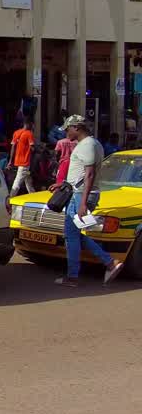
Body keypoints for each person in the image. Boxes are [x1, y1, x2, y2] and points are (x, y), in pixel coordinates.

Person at [55, 115, 125, 287]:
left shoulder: (88, 145)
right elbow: (81, 174)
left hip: (81, 195)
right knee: (74, 234)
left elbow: (90, 174)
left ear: (77, 127)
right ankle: (107, 263)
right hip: (78, 193)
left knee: (72, 236)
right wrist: (62, 184)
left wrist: (83, 202)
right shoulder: (89, 144)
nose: (66, 132)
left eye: (68, 129)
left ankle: (79, 274)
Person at [8, 119, 36, 197]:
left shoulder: (16, 133)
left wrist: (10, 161)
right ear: (29, 124)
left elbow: (13, 147)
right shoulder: (29, 133)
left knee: (28, 180)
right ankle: (11, 197)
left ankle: (33, 195)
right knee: (18, 181)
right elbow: (32, 148)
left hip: (17, 161)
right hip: (25, 162)